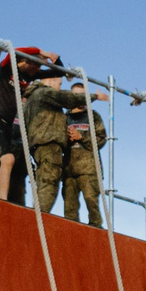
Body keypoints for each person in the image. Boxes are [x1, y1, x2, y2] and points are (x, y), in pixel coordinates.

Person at [24, 65, 108, 223]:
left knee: (91, 203)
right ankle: (38, 221)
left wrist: (81, 138)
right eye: (59, 84)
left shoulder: (92, 116)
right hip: (65, 165)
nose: (59, 88)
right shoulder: (47, 96)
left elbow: (101, 139)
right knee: (62, 199)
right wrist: (95, 97)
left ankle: (37, 219)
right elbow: (67, 99)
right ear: (49, 81)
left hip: (87, 168)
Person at [0, 48, 42, 204]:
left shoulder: (29, 78)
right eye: (35, 65)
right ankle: (2, 201)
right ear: (27, 62)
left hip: (5, 126)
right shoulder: (7, 69)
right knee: (7, 159)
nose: (37, 70)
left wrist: (54, 59)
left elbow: (55, 72)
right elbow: (15, 51)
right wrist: (43, 52)